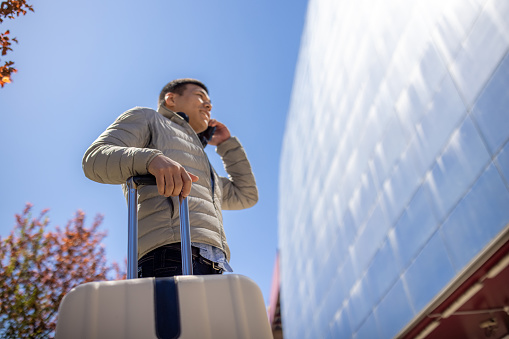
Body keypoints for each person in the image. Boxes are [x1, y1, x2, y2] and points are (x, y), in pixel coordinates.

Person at [82, 78, 258, 277]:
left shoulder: (204, 166)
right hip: (170, 254)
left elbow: (246, 195)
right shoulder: (148, 118)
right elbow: (94, 158)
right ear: (171, 99)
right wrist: (152, 160)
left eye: (209, 102)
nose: (208, 105)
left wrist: (227, 144)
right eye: (200, 97)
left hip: (215, 262)